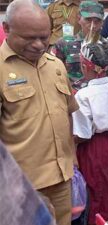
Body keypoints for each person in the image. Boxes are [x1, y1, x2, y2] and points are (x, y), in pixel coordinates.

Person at [0, 1, 78, 224]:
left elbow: (68, 113)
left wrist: (72, 157)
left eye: (44, 37)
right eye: (29, 38)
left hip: (62, 179)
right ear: (7, 28)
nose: (39, 45)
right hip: (22, 187)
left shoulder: (56, 65)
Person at [72, 33, 108, 225]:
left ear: (85, 66)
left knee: (96, 200)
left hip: (95, 151)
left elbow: (83, 134)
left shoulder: (84, 95)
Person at [54, 1, 108, 91]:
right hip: (74, 100)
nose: (92, 25)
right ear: (79, 19)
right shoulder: (64, 44)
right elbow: (55, 76)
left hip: (100, 99)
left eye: (97, 21)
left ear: (102, 22)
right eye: (88, 20)